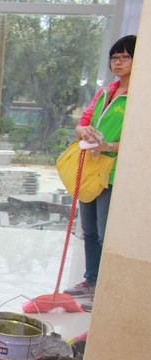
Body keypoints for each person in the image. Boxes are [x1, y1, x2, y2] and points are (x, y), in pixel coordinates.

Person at [64, 35, 135, 299]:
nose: (118, 62)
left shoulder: (139, 98)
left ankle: (106, 291)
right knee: (90, 231)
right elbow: (82, 123)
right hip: (90, 169)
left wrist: (109, 146)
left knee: (106, 234)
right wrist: (84, 131)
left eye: (125, 57)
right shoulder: (105, 92)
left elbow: (141, 142)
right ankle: (91, 280)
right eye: (114, 57)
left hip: (113, 173)